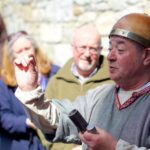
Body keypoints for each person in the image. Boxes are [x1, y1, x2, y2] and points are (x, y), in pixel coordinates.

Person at [14, 13, 150, 150]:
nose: (110, 56)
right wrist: (29, 91)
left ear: (146, 56)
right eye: (110, 48)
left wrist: (113, 147)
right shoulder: (100, 96)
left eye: (120, 49)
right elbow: (61, 119)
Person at [0, 14, 48, 150]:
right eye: (19, 51)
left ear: (35, 49)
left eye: (27, 49)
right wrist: (28, 122)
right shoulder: (4, 82)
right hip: (23, 143)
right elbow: (3, 116)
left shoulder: (53, 73)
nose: (25, 54)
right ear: (12, 57)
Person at [45, 24, 112, 101]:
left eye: (93, 49)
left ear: (100, 50)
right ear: (72, 47)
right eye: (82, 47)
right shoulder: (56, 83)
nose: (87, 54)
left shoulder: (115, 80)